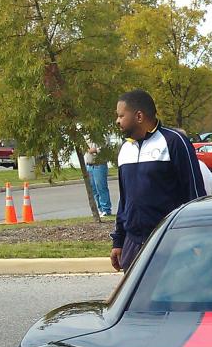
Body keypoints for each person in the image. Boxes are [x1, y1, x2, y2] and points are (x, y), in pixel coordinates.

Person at [111, 89, 205, 272]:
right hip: (133, 243)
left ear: (139, 116)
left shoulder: (175, 142)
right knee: (135, 300)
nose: (117, 121)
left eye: (121, 115)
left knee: (172, 298)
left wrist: (197, 239)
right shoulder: (125, 149)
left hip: (170, 240)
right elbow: (125, 200)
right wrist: (119, 240)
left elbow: (195, 194)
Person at [85, 140, 112, 220]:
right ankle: (99, 209)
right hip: (89, 165)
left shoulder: (102, 134)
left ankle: (106, 209)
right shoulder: (85, 135)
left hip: (99, 164)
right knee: (94, 189)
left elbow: (107, 147)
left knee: (101, 187)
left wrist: (95, 150)